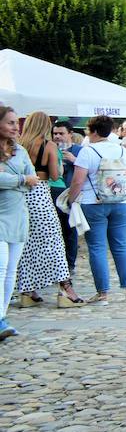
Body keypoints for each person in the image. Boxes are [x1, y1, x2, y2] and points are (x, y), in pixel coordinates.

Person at [67, 115, 126, 305]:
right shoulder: (122, 151)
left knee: (97, 247)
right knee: (121, 246)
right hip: (120, 202)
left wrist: (71, 200)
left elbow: (78, 180)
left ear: (94, 131)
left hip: (93, 203)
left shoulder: (87, 152)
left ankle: (103, 294)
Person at [16, 112, 83, 307]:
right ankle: (65, 288)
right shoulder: (49, 146)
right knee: (54, 242)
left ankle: (27, 290)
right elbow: (54, 175)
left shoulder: (19, 146)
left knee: (27, 245)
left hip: (21, 196)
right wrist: (60, 167)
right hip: (40, 195)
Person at [0, 105, 40, 340]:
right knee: (1, 267)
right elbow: (26, 177)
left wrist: (15, 179)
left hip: (18, 215)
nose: (16, 127)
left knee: (11, 272)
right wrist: (21, 179)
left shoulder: (20, 151)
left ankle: (2, 317)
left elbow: (33, 177)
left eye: (17, 122)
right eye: (11, 122)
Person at [50, 120, 80, 272]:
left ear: (70, 134)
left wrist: (75, 161)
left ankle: (70, 264)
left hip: (71, 195)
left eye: (61, 133)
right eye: (55, 133)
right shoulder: (50, 149)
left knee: (70, 229)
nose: (57, 137)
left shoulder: (79, 150)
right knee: (54, 231)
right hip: (52, 194)